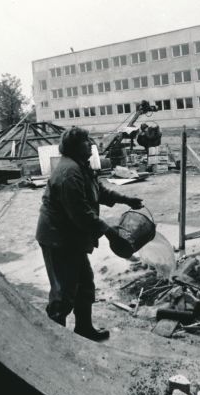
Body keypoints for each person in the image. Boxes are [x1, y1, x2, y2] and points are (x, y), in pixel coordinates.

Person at [35, 126, 143, 341]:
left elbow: (99, 191)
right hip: (58, 239)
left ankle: (84, 328)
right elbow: (81, 214)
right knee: (64, 291)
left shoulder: (80, 167)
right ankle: (54, 339)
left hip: (70, 238)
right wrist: (110, 232)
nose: (90, 144)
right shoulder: (68, 172)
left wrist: (126, 200)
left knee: (84, 284)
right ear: (74, 147)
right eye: (86, 142)